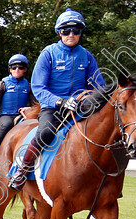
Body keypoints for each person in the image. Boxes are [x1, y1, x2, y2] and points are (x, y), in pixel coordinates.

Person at [9, 8, 105, 190]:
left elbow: (99, 86)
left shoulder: (87, 56)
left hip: (80, 106)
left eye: (76, 30)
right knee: (45, 132)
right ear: (59, 32)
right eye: (66, 30)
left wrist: (91, 97)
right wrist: (60, 101)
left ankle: (107, 180)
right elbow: (38, 87)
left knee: (103, 129)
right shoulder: (49, 53)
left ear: (80, 33)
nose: (71, 34)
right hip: (53, 107)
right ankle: (22, 170)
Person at [0, 54, 36, 168]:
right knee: (7, 124)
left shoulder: (28, 86)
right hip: (5, 115)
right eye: (14, 67)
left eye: (20, 67)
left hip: (21, 116)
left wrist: (29, 109)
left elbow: (35, 104)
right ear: (10, 69)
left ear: (25, 69)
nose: (17, 70)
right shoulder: (2, 84)